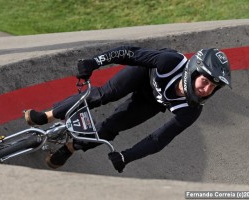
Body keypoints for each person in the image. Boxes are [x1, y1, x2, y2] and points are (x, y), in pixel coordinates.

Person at [24, 45, 231, 173]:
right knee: (101, 95)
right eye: (205, 81)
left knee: (112, 127)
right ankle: (46, 116)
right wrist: (95, 62)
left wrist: (128, 156)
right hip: (143, 74)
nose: (206, 90)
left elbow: (159, 139)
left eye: (213, 87)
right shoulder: (171, 62)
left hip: (152, 101)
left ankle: (69, 148)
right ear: (193, 72)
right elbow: (130, 53)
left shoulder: (191, 110)